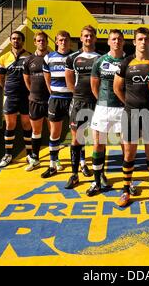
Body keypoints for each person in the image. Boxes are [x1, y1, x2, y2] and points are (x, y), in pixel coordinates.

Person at [114, 27, 149, 210]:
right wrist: (129, 104)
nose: (142, 42)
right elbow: (117, 87)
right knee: (129, 153)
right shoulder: (126, 63)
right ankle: (125, 189)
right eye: (139, 39)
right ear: (134, 42)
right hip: (131, 113)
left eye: (145, 39)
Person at [86, 29, 126, 197]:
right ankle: (97, 180)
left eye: (119, 39)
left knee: (127, 146)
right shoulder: (100, 61)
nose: (116, 41)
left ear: (123, 42)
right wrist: (102, 101)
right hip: (103, 107)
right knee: (98, 144)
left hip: (122, 108)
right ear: (109, 42)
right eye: (113, 39)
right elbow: (94, 84)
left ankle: (126, 183)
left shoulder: (128, 61)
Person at [64, 25, 100, 189]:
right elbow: (69, 81)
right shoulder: (72, 58)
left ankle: (100, 174)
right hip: (78, 103)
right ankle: (74, 174)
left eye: (91, 36)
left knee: (98, 141)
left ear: (95, 38)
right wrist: (77, 96)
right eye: (85, 35)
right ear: (81, 38)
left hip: (96, 103)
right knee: (77, 139)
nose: (88, 38)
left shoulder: (101, 58)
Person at [0, 31, 33, 168]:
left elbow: (33, 76)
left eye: (18, 39)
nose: (16, 41)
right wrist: (6, 89)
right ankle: (8, 155)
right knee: (10, 125)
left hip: (26, 96)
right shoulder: (3, 58)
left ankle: (30, 154)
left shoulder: (29, 56)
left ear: (23, 41)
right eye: (13, 39)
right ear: (10, 40)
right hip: (10, 96)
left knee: (26, 125)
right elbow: (0, 77)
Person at [40, 30, 73, 178]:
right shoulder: (48, 57)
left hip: (72, 99)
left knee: (77, 133)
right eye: (60, 40)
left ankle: (82, 163)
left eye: (65, 39)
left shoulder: (75, 57)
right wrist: (53, 93)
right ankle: (53, 164)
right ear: (56, 42)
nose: (63, 42)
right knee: (55, 133)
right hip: (55, 99)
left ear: (69, 41)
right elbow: (47, 79)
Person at [22, 31, 51, 171]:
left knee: (53, 132)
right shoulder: (28, 60)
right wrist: (33, 92)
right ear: (35, 42)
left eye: (43, 40)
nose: (41, 42)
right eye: (39, 40)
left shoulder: (52, 58)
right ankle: (35, 159)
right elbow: (27, 80)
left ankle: (54, 160)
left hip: (52, 100)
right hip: (35, 100)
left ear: (47, 42)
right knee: (36, 130)